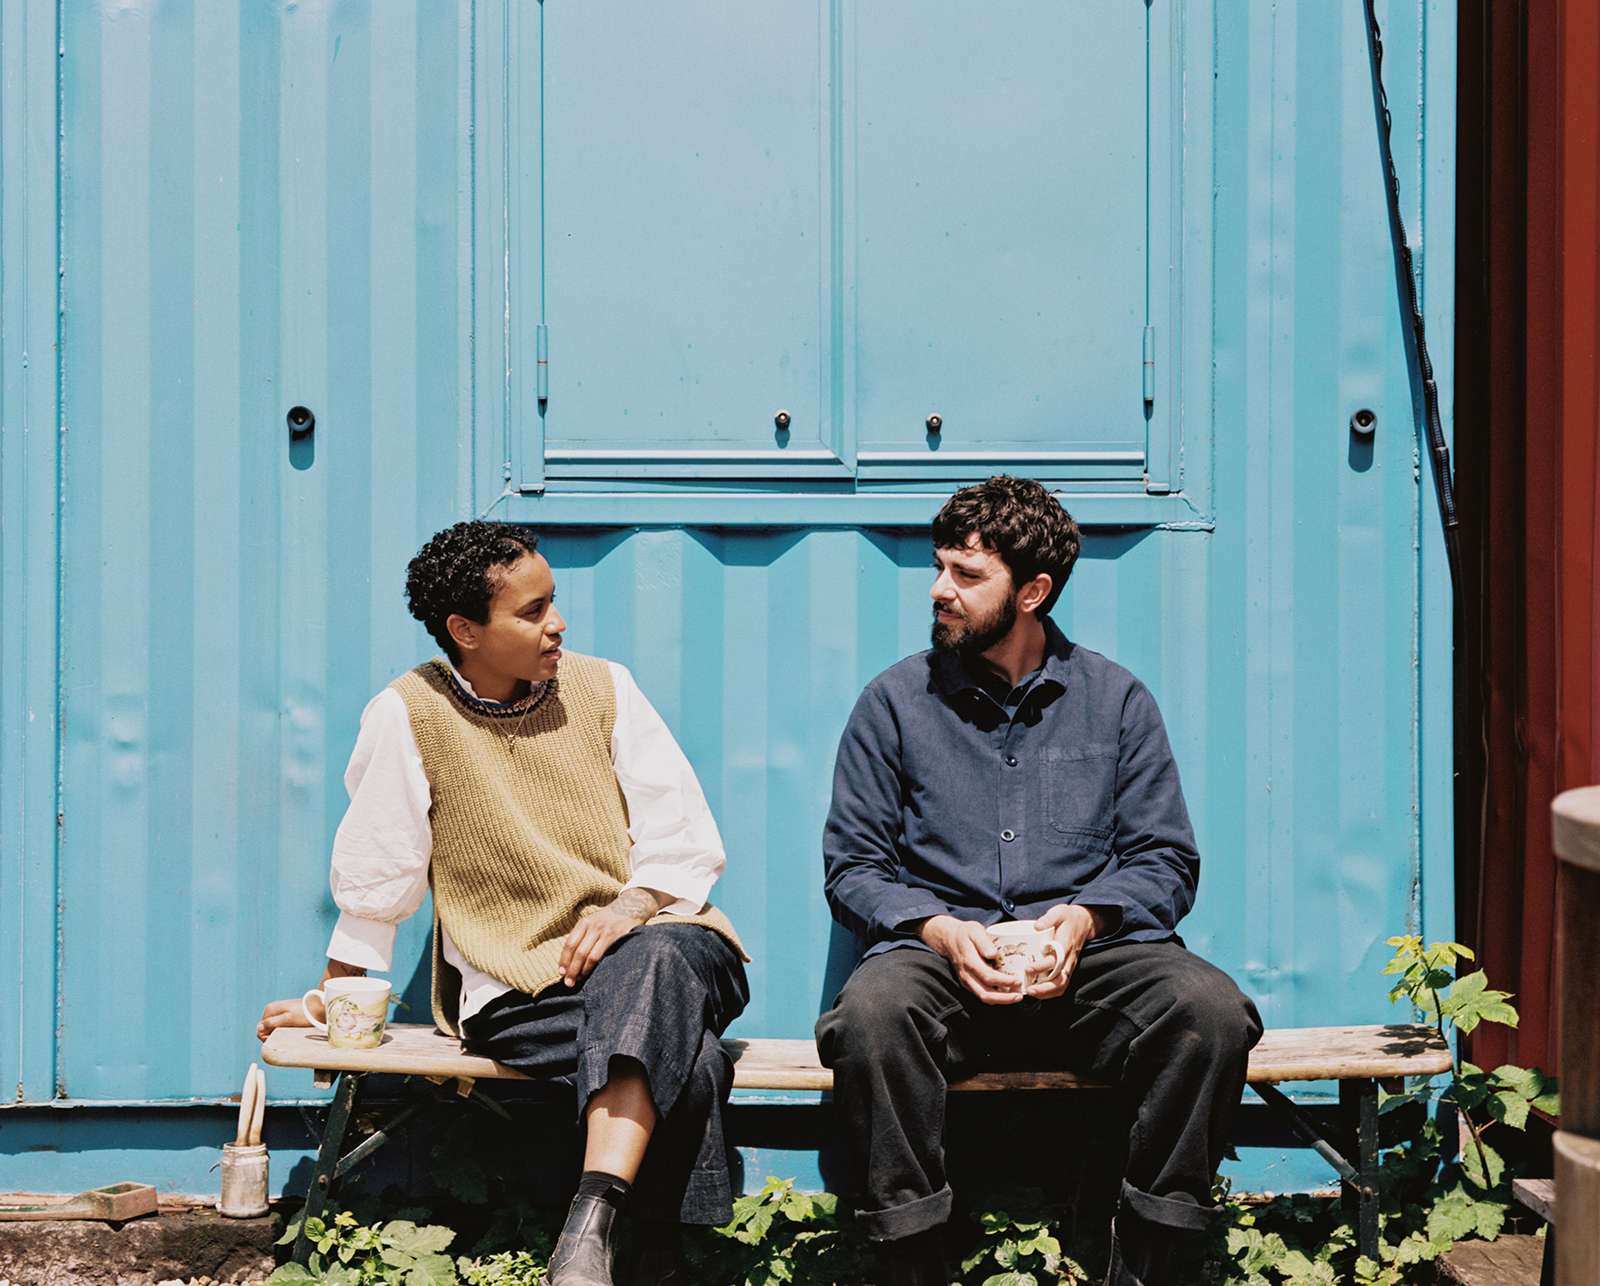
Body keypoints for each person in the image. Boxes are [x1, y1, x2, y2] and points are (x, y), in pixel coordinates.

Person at [257, 520, 749, 1286]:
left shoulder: (605, 688)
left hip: (668, 942)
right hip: (526, 989)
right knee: (692, 1052)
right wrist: (334, 998)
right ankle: (650, 1255)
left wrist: (627, 908)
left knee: (654, 962)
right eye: (531, 611)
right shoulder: (409, 715)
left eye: (554, 602)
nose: (557, 623)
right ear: (465, 631)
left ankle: (586, 1225)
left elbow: (682, 837)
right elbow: (378, 881)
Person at [814, 476, 1262, 1286]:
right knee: (871, 1016)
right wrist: (940, 930)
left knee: (1209, 1011)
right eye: (940, 566)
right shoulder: (892, 704)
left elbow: (1166, 859)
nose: (939, 590)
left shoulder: (1115, 701)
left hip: (1086, 970)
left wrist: (1083, 920)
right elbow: (854, 867)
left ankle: (1152, 1262)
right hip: (942, 966)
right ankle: (910, 1266)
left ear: (1034, 591)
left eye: (966, 574)